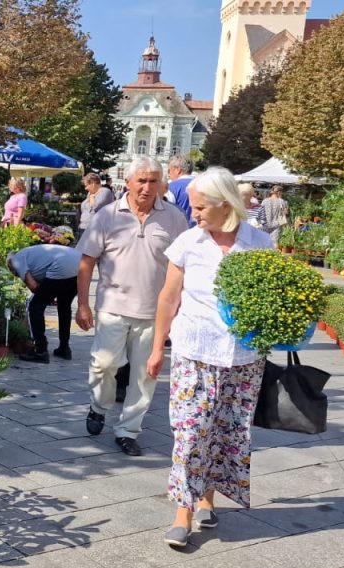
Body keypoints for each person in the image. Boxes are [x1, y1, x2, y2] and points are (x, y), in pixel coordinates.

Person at [147, 166, 274, 548]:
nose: (194, 213)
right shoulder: (189, 242)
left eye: (201, 207)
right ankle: (182, 513)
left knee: (226, 432)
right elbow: (169, 297)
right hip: (194, 351)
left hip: (243, 355)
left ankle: (207, 499)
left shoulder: (259, 243)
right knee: (190, 432)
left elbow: (269, 299)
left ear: (225, 205)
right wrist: (157, 346)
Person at [76, 156, 189, 457]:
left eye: (153, 181)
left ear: (161, 184)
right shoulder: (108, 215)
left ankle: (127, 430)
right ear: (128, 182)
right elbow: (86, 263)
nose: (147, 187)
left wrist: (178, 311)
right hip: (112, 306)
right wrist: (83, 305)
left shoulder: (175, 219)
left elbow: (183, 268)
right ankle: (99, 406)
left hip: (154, 312)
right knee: (104, 365)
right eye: (141, 180)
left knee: (145, 375)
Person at [9, 244, 81, 362]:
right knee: (64, 306)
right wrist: (48, 294)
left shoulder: (16, 259)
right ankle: (64, 348)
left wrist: (46, 295)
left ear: (10, 265)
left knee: (34, 306)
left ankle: (40, 350)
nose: (15, 274)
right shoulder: (30, 254)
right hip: (79, 264)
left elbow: (33, 286)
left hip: (61, 266)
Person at [166, 155, 195, 227]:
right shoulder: (204, 184)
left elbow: (166, 212)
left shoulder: (171, 187)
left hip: (178, 230)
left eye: (169, 170)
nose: (168, 174)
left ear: (178, 170)